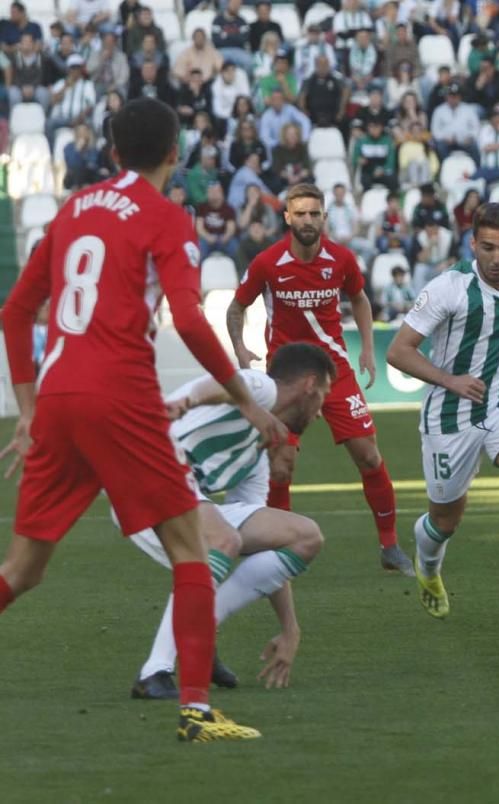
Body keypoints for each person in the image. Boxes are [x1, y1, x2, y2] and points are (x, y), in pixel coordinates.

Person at [0, 96, 285, 741]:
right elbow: (188, 317)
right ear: (174, 153)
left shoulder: (73, 208)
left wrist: (27, 411)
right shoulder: (164, 217)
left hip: (60, 397)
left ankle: (191, 702)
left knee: (22, 569)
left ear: (112, 151)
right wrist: (245, 398)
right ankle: (195, 710)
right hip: (121, 399)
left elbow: (16, 314)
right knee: (196, 549)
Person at [386, 202, 499, 626]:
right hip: (450, 413)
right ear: (473, 244)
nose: (496, 258)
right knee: (445, 519)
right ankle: (429, 567)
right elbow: (399, 351)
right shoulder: (447, 288)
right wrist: (449, 379)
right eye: (487, 247)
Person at [227, 183, 415, 574]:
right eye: (301, 214)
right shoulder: (267, 263)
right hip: (287, 378)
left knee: (368, 455)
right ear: (287, 218)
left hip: (335, 372)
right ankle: (279, 548)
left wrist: (366, 347)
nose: (308, 220)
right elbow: (236, 307)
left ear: (324, 217)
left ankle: (390, 546)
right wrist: (241, 349)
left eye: (315, 213)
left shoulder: (342, 259)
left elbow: (360, 298)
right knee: (281, 466)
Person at [130, 343, 335, 699]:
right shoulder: (260, 385)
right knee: (222, 540)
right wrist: (188, 401)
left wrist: (290, 628)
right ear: (310, 385)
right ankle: (155, 671)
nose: (320, 413)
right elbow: (218, 384)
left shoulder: (256, 458)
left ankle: (199, 632)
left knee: (304, 537)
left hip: (181, 495)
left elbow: (264, 550)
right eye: (324, 397)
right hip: (146, 473)